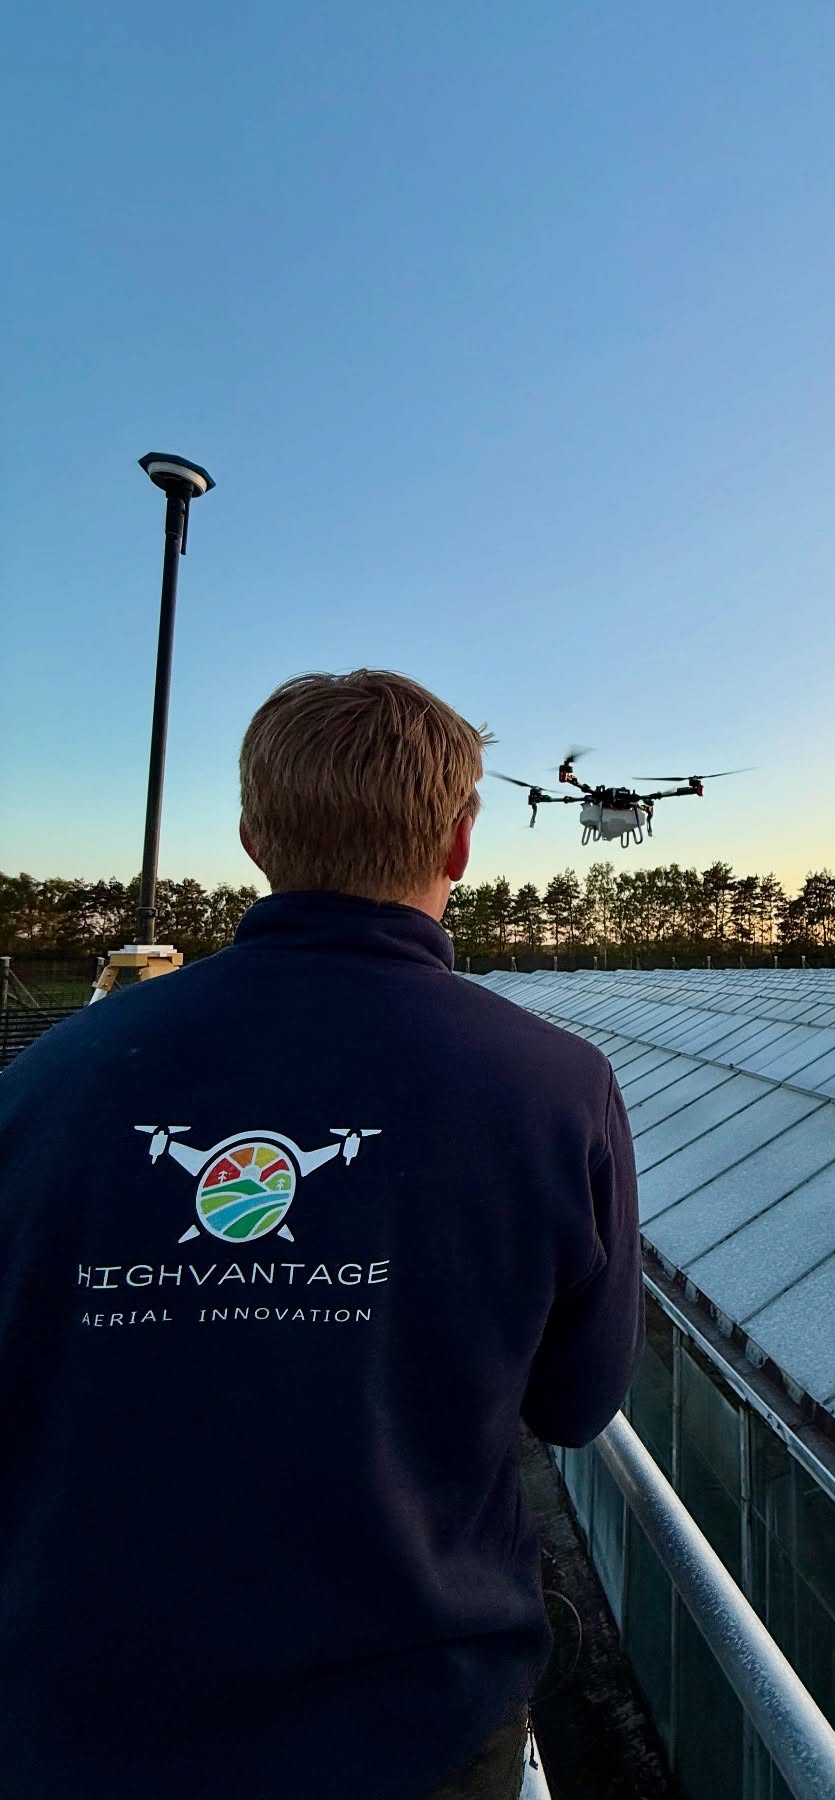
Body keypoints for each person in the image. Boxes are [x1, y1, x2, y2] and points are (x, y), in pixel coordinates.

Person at [0, 670, 642, 1800]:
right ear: (460, 843)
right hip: (414, 1730)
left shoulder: (46, 1079)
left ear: (254, 838)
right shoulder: (556, 1086)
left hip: (79, 1722)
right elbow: (577, 1406)